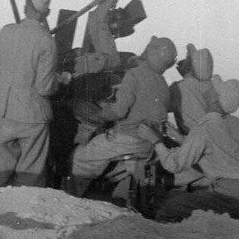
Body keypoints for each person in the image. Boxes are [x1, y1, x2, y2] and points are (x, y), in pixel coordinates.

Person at [138, 75, 239, 222]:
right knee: (182, 200)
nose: (204, 94)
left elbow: (174, 164)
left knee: (169, 210)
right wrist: (177, 136)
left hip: (231, 198)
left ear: (214, 100)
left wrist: (155, 140)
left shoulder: (205, 127)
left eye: (208, 92)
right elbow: (212, 147)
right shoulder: (234, 122)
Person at [66, 36, 177, 197]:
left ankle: (70, 198)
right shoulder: (163, 83)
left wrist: (103, 111)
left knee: (79, 157)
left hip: (127, 141)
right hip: (148, 145)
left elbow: (119, 112)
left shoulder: (134, 75)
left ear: (150, 52)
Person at [0, 0, 70, 187]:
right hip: (33, 114)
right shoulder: (47, 41)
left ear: (25, 8)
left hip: (4, 109)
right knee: (29, 176)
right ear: (46, 13)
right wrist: (60, 79)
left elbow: (1, 66)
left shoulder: (5, 31)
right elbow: (44, 86)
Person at [170, 43, 222, 135]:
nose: (182, 61)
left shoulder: (180, 87)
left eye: (187, 59)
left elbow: (161, 103)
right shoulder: (213, 86)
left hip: (192, 138)